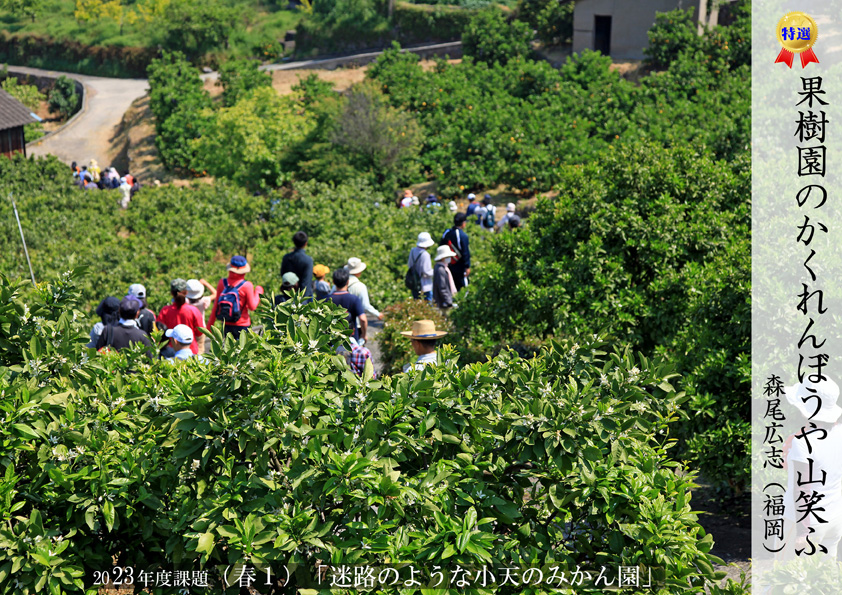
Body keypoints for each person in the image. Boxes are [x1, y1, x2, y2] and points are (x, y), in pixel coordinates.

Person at [784, 379, 842, 559]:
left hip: (806, 524)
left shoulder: (802, 442)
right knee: (825, 573)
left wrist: (802, 532)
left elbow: (802, 488)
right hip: (834, 518)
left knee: (785, 573)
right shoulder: (839, 433)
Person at [207, 255, 263, 340]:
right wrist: (258, 291)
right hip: (243, 324)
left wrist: (209, 327)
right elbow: (252, 307)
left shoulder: (222, 283)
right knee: (242, 347)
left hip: (226, 323)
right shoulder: (247, 285)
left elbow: (216, 305)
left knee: (229, 347)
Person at [157, 279, 205, 355]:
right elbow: (200, 332)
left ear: (171, 293)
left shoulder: (165, 311)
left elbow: (159, 331)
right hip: (191, 350)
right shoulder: (193, 310)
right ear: (186, 292)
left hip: (171, 351)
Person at [328, 268, 367, 343]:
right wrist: (364, 335)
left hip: (332, 341)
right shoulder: (354, 299)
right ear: (348, 282)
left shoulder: (327, 299)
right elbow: (363, 319)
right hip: (351, 340)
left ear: (333, 282)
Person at [440, 213, 470, 292]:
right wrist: (467, 266)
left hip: (447, 264)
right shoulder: (462, 236)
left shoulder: (447, 232)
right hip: (459, 266)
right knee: (462, 288)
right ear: (463, 223)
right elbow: (465, 253)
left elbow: (441, 246)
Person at [345, 257, 383, 322]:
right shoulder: (361, 286)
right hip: (355, 322)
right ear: (359, 271)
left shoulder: (337, 284)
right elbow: (365, 306)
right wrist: (378, 314)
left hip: (339, 323)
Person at [281, 231, 314, 298]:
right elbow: (306, 282)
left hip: (288, 293)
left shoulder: (286, 258)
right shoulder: (308, 260)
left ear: (294, 242)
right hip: (301, 297)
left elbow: (283, 275)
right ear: (306, 243)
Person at [408, 232, 435, 301]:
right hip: (424, 285)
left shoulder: (412, 251)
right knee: (427, 304)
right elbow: (426, 271)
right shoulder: (425, 254)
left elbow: (410, 265)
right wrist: (435, 271)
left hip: (414, 283)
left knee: (416, 302)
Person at [432, 245, 457, 310]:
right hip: (443, 303)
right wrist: (449, 302)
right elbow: (442, 288)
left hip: (443, 302)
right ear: (443, 258)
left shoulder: (443, 267)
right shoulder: (440, 269)